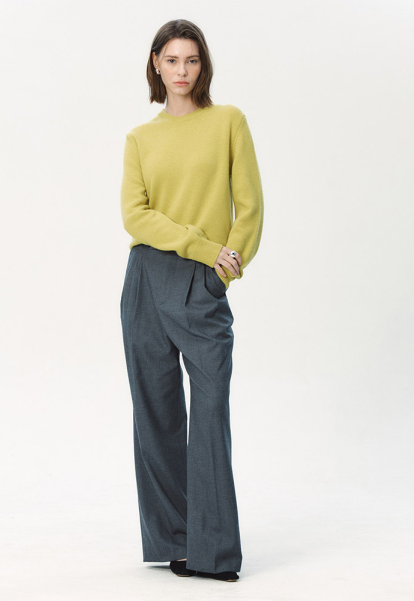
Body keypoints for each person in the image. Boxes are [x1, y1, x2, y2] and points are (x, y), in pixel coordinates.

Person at [119, 19, 264, 583]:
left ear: (203, 65)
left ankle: (214, 552)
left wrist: (221, 270)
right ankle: (174, 542)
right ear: (156, 64)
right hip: (147, 279)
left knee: (209, 414)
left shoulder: (228, 121)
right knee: (155, 415)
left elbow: (249, 207)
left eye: (192, 60)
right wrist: (199, 245)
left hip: (203, 283)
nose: (182, 70)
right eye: (172, 60)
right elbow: (135, 216)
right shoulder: (140, 137)